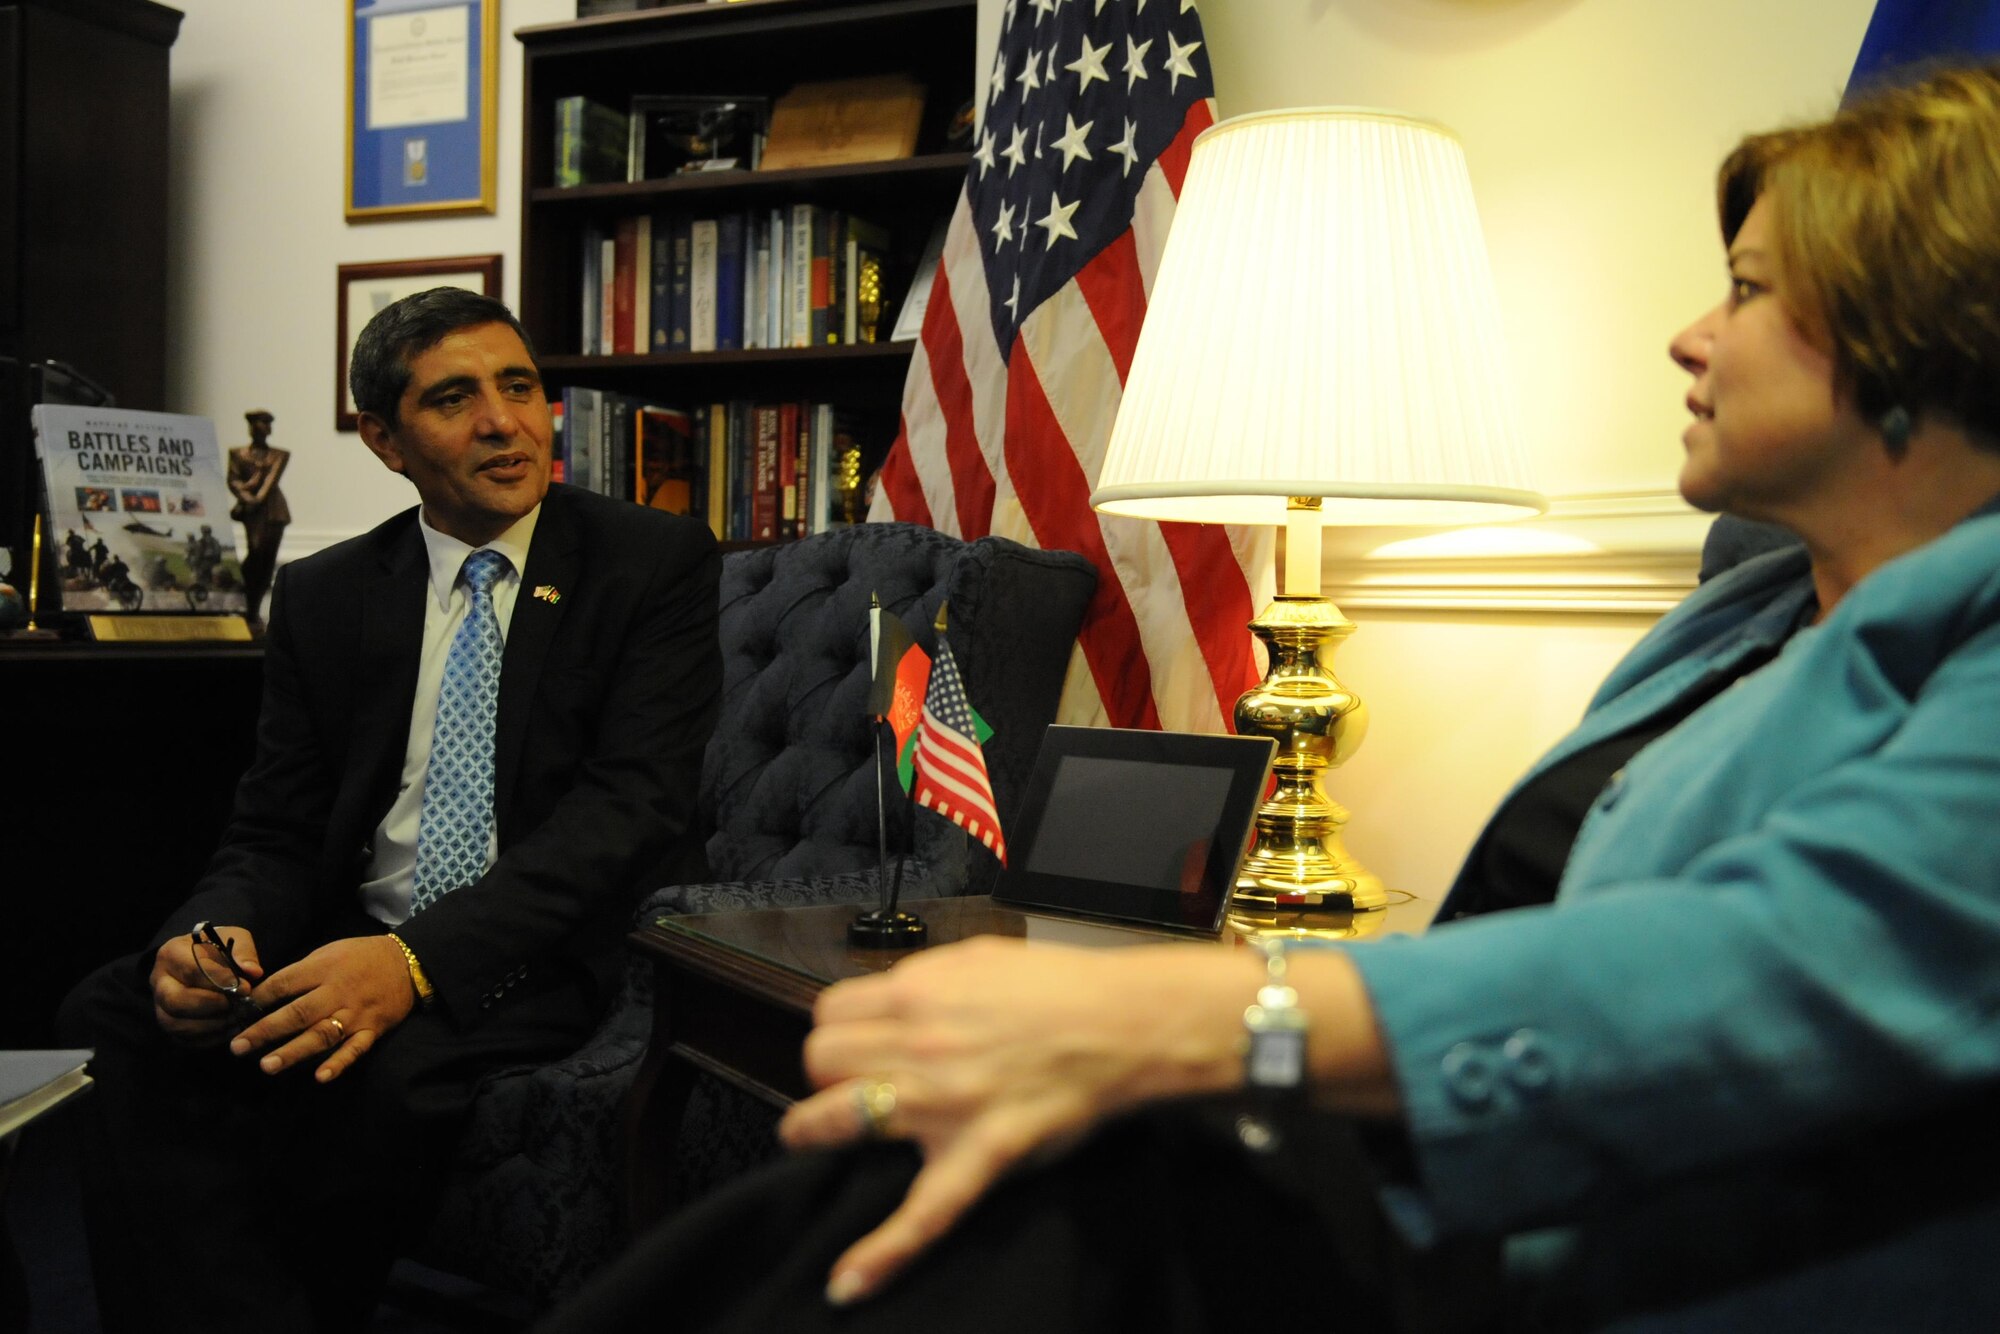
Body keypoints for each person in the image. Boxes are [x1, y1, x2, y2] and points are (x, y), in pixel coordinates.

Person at [537, 62, 2000, 1334]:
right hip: (1447, 1180)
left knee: (1006, 1206)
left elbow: (1794, 959)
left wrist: (1207, 1017)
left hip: (1641, 1244)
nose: (1690, 335)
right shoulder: (1751, 607)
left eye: (1746, 291)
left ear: (1918, 337)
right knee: (917, 1177)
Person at [58, 286, 723, 1333]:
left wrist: (412, 963)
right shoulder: (328, 592)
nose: (504, 419)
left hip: (538, 945)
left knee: (365, 1074)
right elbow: (275, 826)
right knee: (119, 1011)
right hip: (350, 925)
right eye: (455, 397)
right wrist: (212, 929)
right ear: (383, 438)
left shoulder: (650, 561)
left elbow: (628, 810)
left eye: (519, 385)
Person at [227, 407, 291, 622]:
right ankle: (244, 602)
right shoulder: (237, 453)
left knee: (266, 560)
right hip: (251, 512)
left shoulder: (279, 455)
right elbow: (233, 480)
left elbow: (270, 482)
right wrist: (247, 496)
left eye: (268, 423)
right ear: (253, 427)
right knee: (254, 554)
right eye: (262, 423)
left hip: (273, 511)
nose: (266, 428)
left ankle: (253, 610)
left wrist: (256, 499)